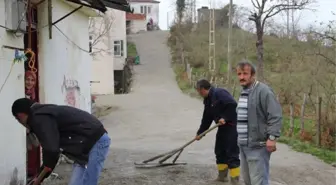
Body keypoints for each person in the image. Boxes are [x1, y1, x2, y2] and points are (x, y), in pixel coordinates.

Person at [11, 98, 111, 185]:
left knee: (88, 181)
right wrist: (40, 176)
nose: (21, 123)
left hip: (96, 141)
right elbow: (52, 147)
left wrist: (40, 177)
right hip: (83, 148)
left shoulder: (39, 117)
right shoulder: (42, 114)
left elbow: (51, 150)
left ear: (20, 115)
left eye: (17, 119)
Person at [235, 60, 282, 185]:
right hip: (244, 146)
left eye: (245, 74)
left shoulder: (263, 91)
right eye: (239, 74)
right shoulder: (243, 91)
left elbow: (275, 115)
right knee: (248, 181)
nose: (242, 77)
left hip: (258, 146)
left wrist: (272, 138)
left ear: (253, 75)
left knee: (259, 182)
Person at [195, 79, 240, 185]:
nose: (198, 93)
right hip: (222, 128)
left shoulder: (219, 93)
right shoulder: (207, 100)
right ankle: (222, 177)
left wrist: (225, 117)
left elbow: (232, 105)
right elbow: (206, 118)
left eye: (198, 90)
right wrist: (200, 133)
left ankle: (235, 181)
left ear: (203, 89)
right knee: (219, 150)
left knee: (231, 153)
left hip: (232, 126)